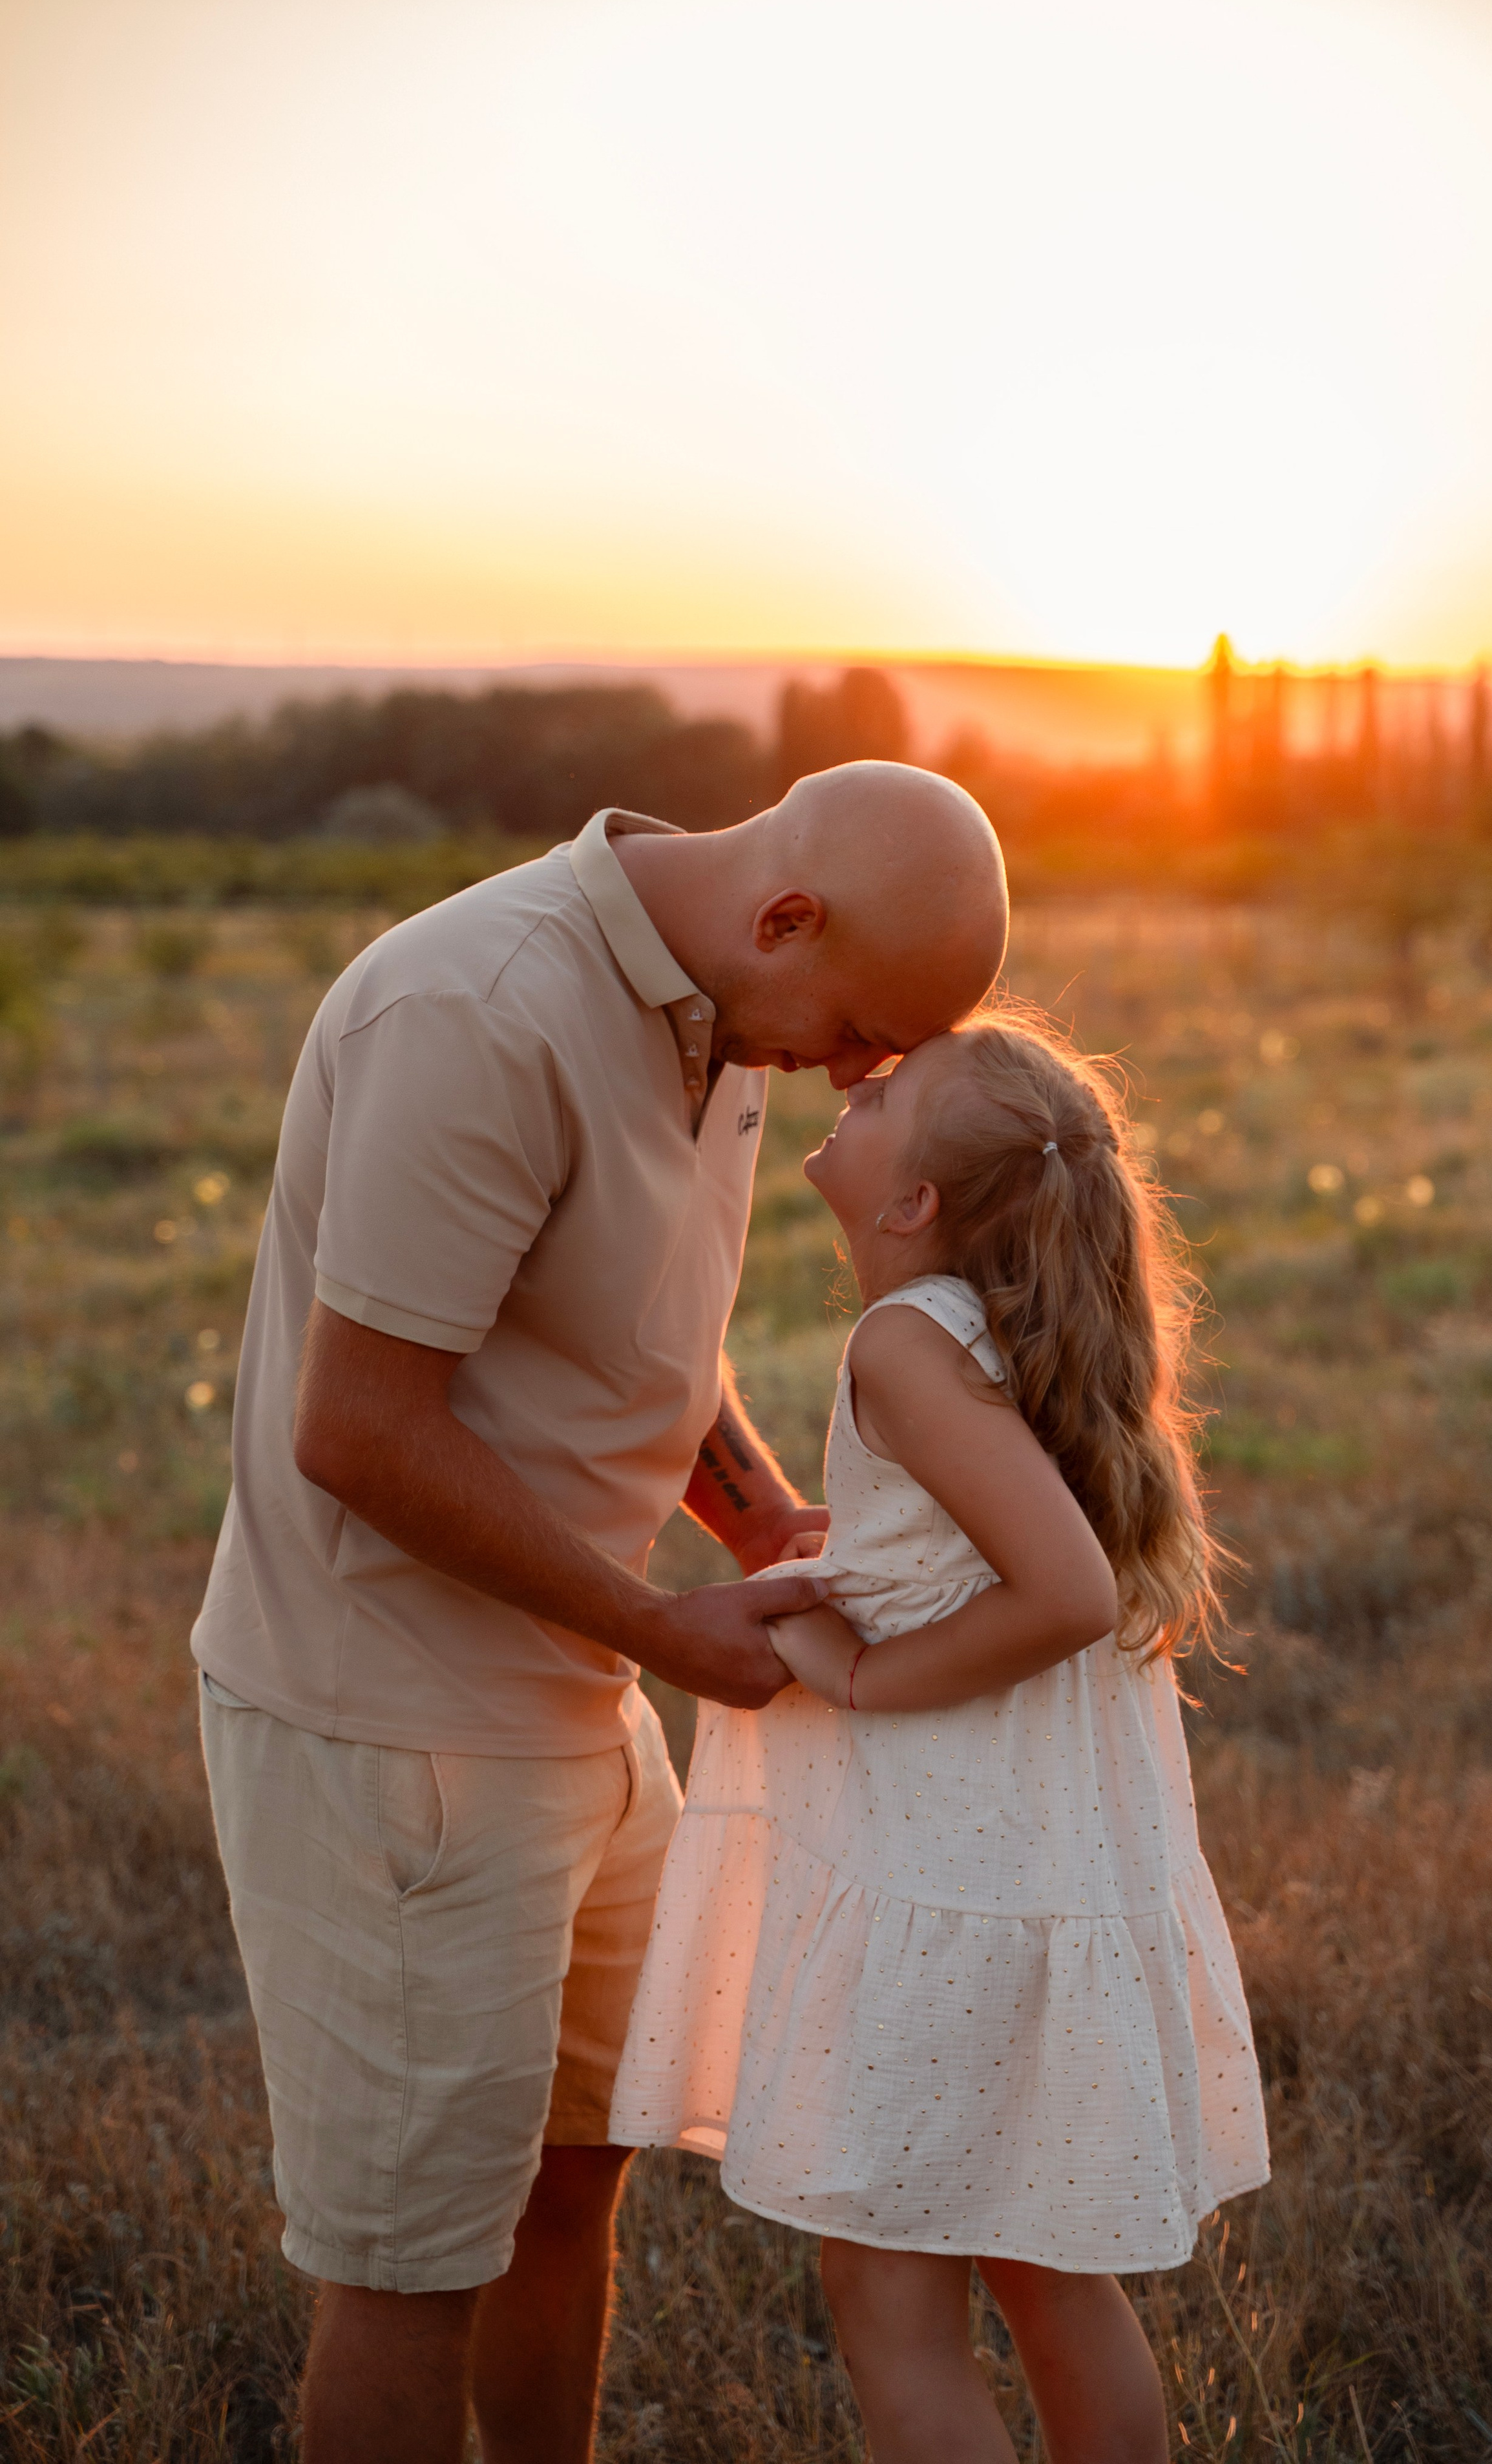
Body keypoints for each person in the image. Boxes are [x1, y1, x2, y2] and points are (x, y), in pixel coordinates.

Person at [190, 761, 1009, 2464]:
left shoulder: (730, 1013)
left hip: (580, 1699)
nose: (849, 1077)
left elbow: (640, 1338)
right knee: (412, 2266)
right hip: (397, 1731)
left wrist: (757, 1517)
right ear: (786, 917)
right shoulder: (475, 1012)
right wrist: (661, 1628)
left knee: (576, 2175)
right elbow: (359, 1432)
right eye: (856, 1032)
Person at [612, 1009, 1270, 2464]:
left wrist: (860, 1674)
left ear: (912, 1202)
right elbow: (982, 1551)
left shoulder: (907, 1342)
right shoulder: (988, 1332)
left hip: (952, 1881)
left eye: (886, 1095)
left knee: (888, 2284)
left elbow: (1063, 1590)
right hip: (1027, 1866)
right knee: (1044, 2266)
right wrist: (856, 1563)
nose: (853, 1084)